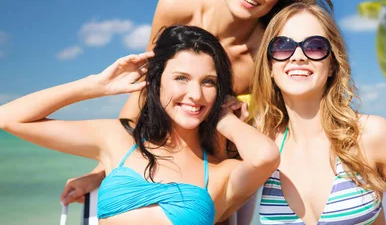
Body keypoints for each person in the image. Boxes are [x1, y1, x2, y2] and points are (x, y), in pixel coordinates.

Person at [60, 0, 332, 224]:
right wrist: (100, 170)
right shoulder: (177, 6)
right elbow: (147, 89)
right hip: (168, 157)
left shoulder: (266, 50)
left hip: (227, 167)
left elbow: (290, 111)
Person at [0, 25, 280, 224]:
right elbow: (9, 118)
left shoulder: (220, 173)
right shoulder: (118, 139)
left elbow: (265, 156)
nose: (195, 94)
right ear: (157, 82)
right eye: (181, 78)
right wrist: (96, 85)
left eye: (208, 82)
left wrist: (224, 117)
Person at [252, 1, 386, 224]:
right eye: (283, 46)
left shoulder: (369, 135)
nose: (298, 56)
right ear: (270, 65)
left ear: (332, 64)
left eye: (315, 46)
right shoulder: (261, 147)